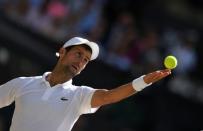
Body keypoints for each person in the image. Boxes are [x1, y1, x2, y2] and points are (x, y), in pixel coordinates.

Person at [0, 37, 171, 131]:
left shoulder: (79, 95)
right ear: (62, 52)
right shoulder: (23, 84)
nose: (81, 61)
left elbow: (109, 96)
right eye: (78, 54)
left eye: (86, 60)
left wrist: (143, 81)